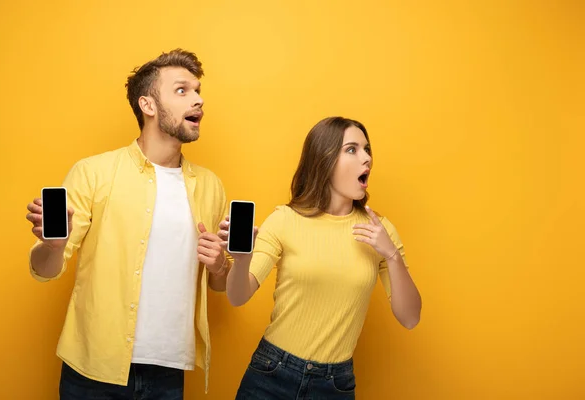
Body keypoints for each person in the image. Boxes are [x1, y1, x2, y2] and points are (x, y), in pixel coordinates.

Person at [25, 49, 231, 399]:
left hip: (169, 373)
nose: (198, 100)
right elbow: (44, 270)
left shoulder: (210, 186)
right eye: (182, 91)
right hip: (92, 369)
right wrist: (52, 246)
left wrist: (221, 265)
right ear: (148, 105)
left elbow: (220, 285)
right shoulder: (93, 172)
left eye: (197, 91)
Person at [220, 116, 422, 399]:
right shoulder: (285, 220)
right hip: (271, 372)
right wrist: (241, 261)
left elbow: (410, 317)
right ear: (324, 159)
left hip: (334, 385)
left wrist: (391, 255)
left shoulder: (379, 230)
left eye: (367, 149)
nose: (367, 158)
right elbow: (238, 296)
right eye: (352, 149)